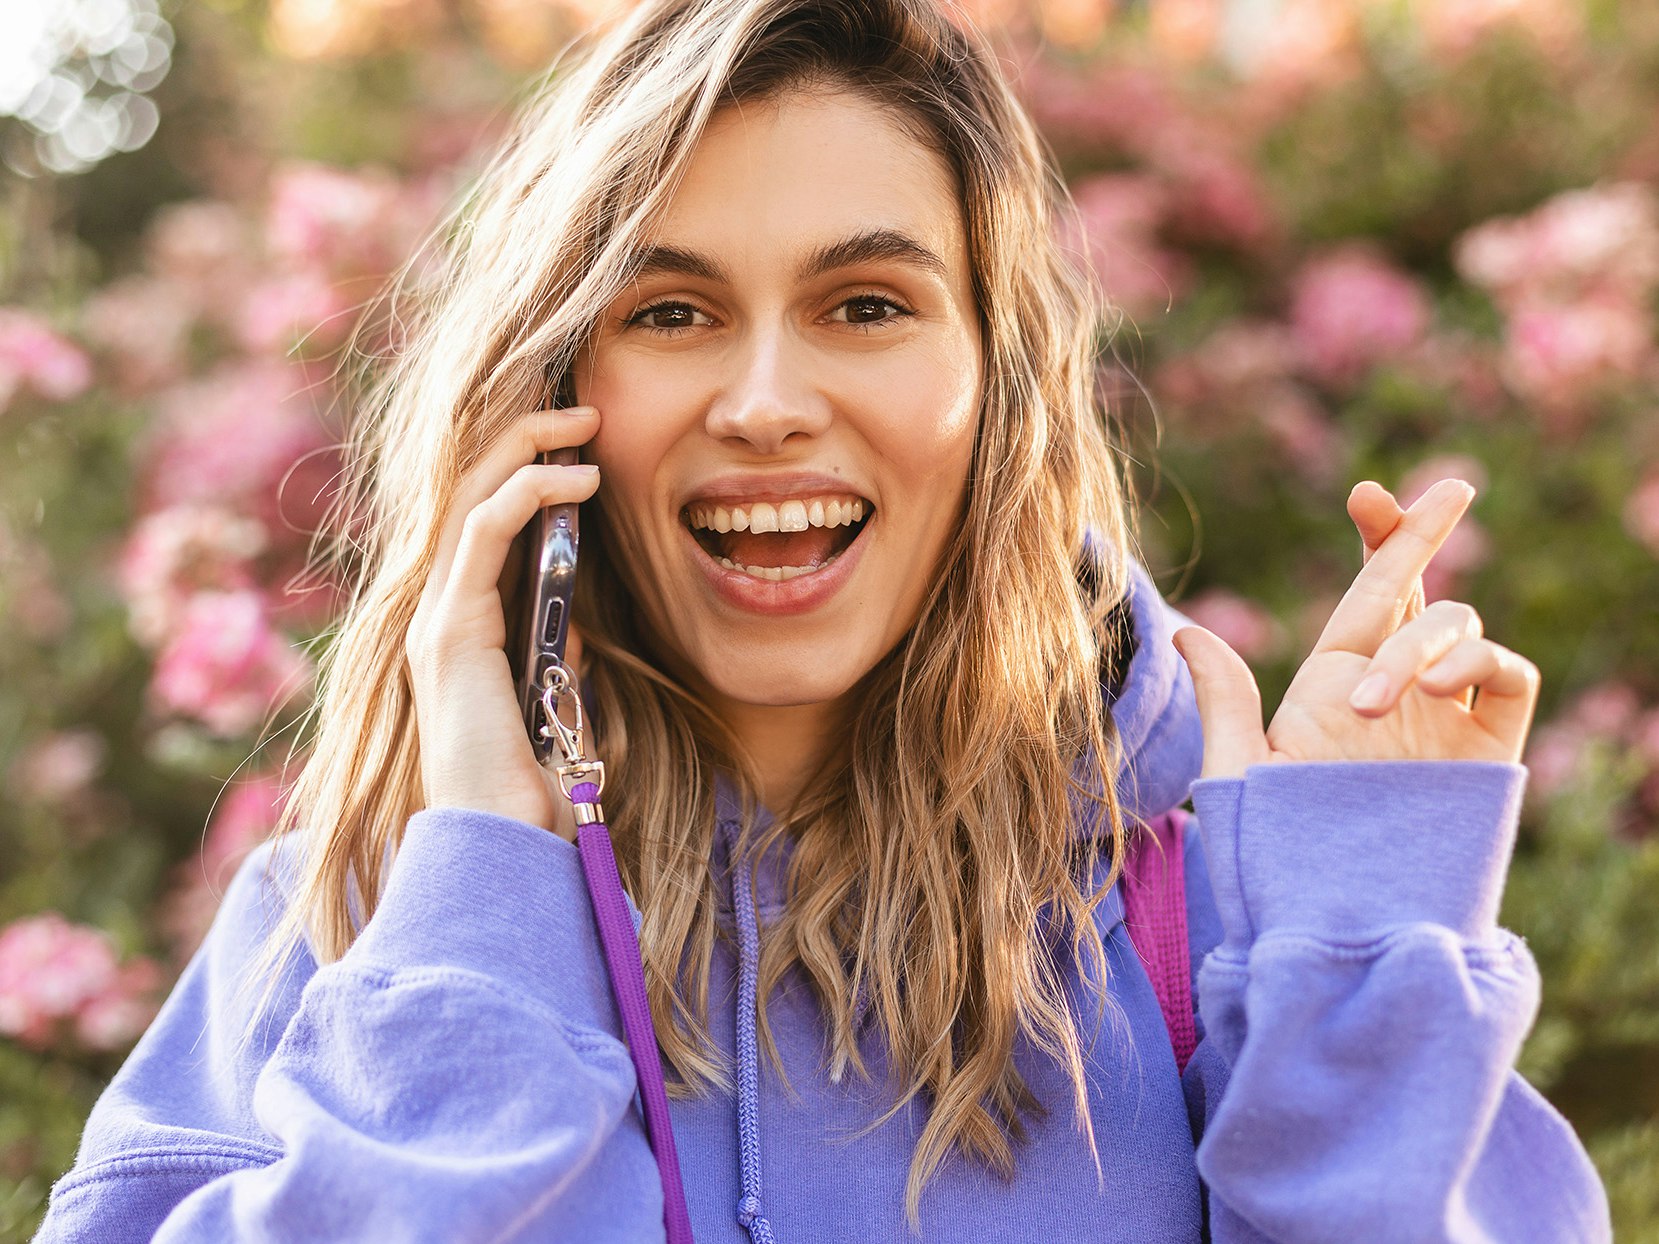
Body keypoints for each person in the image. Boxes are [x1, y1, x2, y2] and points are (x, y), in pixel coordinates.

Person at [36, 0, 1612, 1240]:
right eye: (669, 313)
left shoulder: (1224, 906)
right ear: (549, 397)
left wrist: (1365, 937)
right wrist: (482, 925)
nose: (769, 403)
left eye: (868, 306)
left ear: (998, 387)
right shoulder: (354, 919)